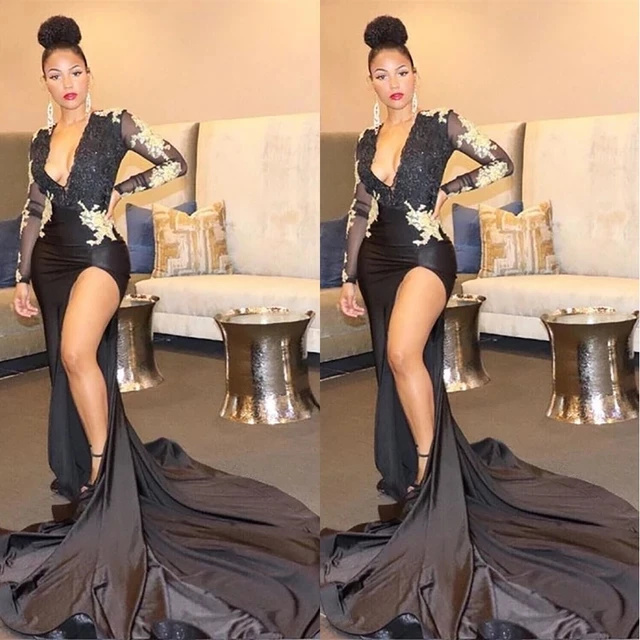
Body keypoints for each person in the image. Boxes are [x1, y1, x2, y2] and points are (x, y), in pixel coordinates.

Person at [1, 15, 319, 640]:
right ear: (45, 82)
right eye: (55, 76)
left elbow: (170, 161)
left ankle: (104, 474)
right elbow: (34, 210)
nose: (67, 83)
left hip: (100, 254)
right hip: (52, 261)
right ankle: (87, 461)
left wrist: (119, 190)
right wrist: (22, 276)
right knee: (69, 365)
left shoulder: (114, 123)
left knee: (77, 354)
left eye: (75, 72)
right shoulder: (41, 141)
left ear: (89, 74)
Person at [321, 15, 638, 640]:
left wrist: (450, 189)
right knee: (394, 366)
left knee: (403, 353)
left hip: (427, 255)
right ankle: (417, 463)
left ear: (416, 75)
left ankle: (427, 469)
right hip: (378, 259)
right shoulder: (367, 139)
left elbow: (497, 161)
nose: (393, 83)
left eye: (402, 72)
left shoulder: (442, 124)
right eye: (381, 75)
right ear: (371, 82)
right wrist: (348, 276)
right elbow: (359, 209)